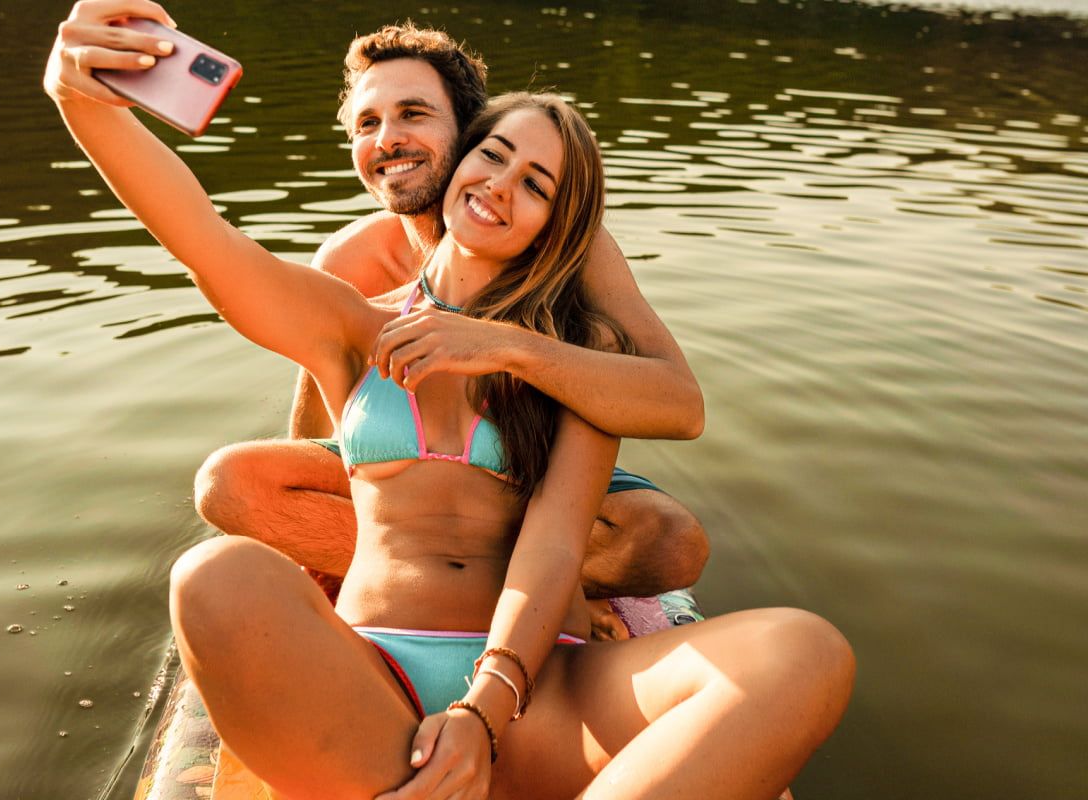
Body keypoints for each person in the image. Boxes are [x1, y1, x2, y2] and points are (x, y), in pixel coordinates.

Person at [45, 4, 855, 797]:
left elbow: (555, 541)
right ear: (464, 158)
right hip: (377, 678)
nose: (501, 186)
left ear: (554, 224)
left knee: (802, 651)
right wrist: (81, 102)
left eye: (534, 183)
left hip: (548, 688)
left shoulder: (579, 353)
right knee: (214, 575)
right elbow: (201, 236)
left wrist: (482, 711)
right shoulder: (351, 321)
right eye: (494, 156)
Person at [190, 22, 710, 602]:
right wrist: (303, 541)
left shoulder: (564, 241)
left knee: (671, 541)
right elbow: (317, 426)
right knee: (230, 487)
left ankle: (528, 589)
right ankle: (426, 580)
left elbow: (679, 403)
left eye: (413, 113)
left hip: (525, 469)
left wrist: (507, 345)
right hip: (398, 475)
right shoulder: (347, 259)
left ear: (470, 133)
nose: (387, 139)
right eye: (368, 123)